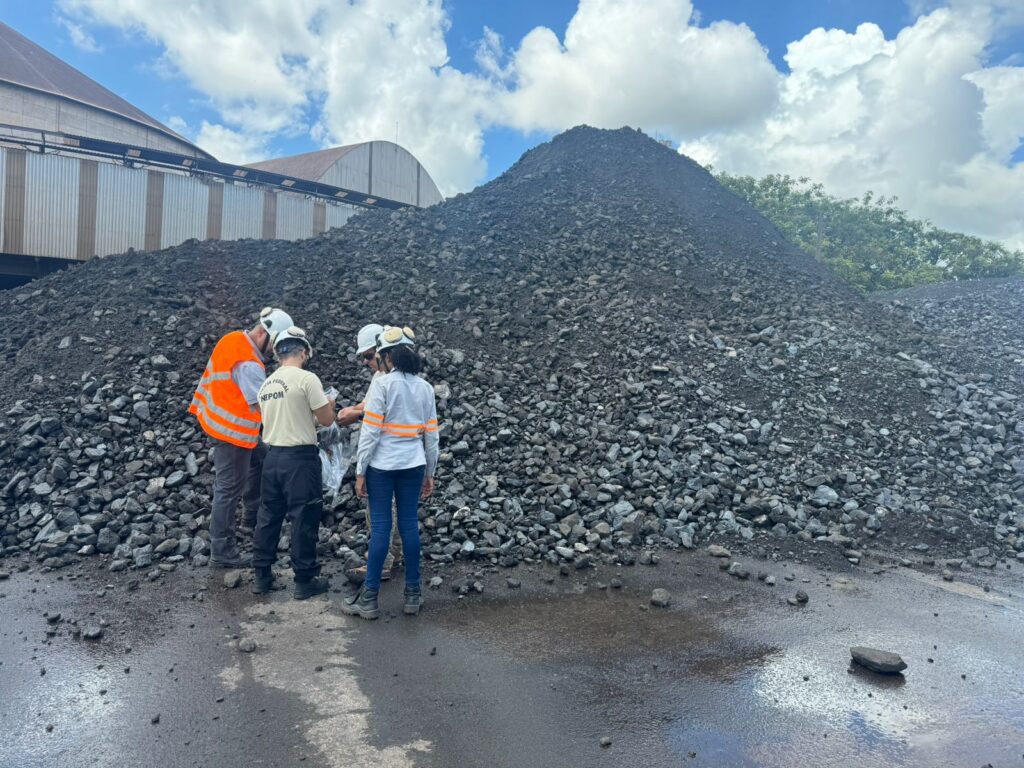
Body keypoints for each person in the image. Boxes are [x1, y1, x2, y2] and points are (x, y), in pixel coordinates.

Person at [342, 326, 438, 620]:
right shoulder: (425, 388)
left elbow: (370, 433)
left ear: (386, 356)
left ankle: (369, 599)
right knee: (409, 525)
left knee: (381, 529)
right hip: (413, 465)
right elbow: (431, 437)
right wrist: (430, 472)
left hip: (381, 468)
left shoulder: (382, 386)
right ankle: (412, 594)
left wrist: (360, 471)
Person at [189, 306, 293, 567]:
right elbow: (265, 407)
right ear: (264, 335)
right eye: (275, 345)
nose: (275, 352)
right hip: (232, 432)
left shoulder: (233, 339)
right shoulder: (249, 365)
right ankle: (222, 550)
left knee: (261, 459)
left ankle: (251, 516)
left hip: (218, 417)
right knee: (228, 487)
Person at [251, 327, 336, 599]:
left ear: (277, 353)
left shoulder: (267, 384)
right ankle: (304, 579)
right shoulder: (307, 379)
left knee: (268, 516)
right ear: (304, 351)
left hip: (272, 457)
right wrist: (330, 404)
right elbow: (326, 420)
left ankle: (262, 576)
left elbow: (279, 419)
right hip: (300, 459)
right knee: (304, 517)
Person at [337, 323, 401, 582]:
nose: (366, 361)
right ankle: (392, 555)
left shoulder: (389, 378)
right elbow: (367, 405)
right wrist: (352, 411)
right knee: (391, 507)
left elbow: (375, 416)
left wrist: (362, 468)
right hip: (395, 454)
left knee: (380, 509)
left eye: (368, 355)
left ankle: (382, 563)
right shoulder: (384, 376)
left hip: (384, 453)